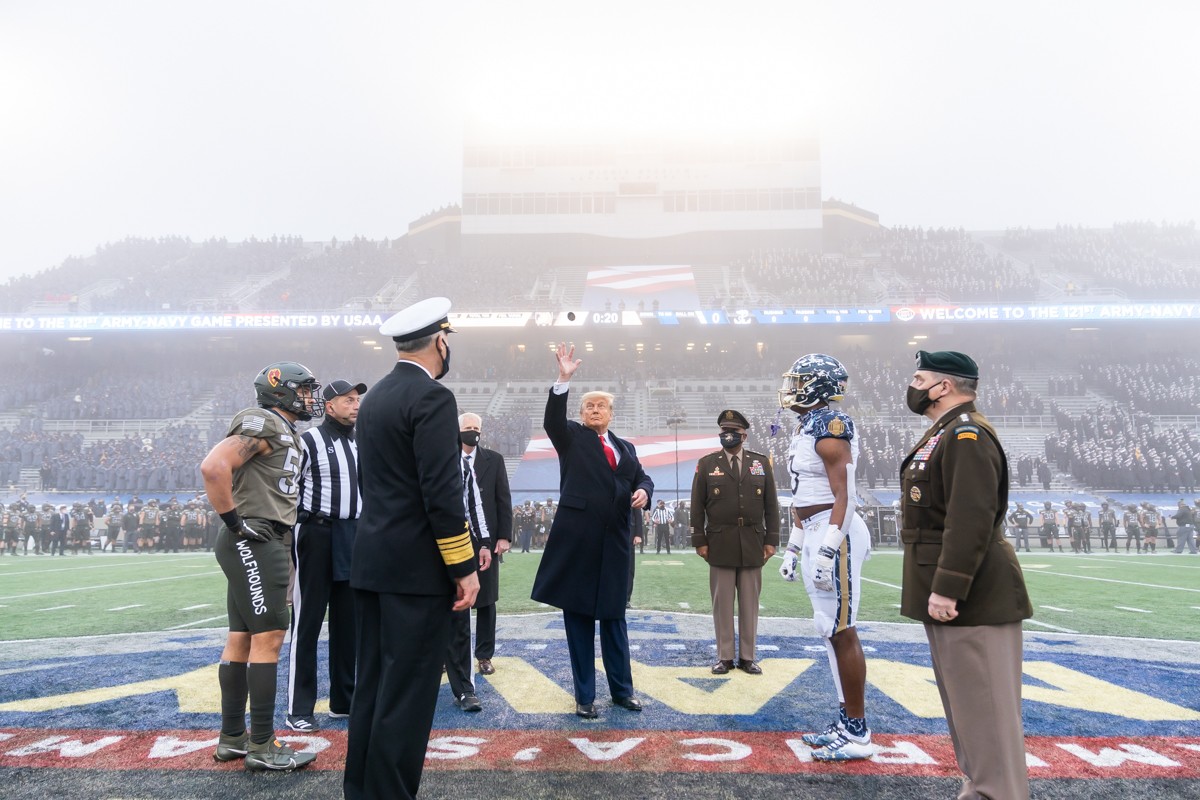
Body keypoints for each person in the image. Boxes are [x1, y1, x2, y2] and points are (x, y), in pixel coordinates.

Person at [345, 297, 479, 800]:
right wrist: (463, 566)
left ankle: (361, 791)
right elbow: (441, 495)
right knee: (408, 696)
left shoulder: (375, 396)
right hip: (416, 571)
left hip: (373, 562)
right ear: (440, 341)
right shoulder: (433, 398)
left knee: (374, 689)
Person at [900, 349, 1032, 800]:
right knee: (968, 711)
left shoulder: (965, 435)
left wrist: (948, 587)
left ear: (945, 386)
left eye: (920, 378)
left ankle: (999, 793)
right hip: (953, 594)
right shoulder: (945, 433)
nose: (913, 386)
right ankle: (979, 788)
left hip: (973, 597)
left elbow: (971, 517)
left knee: (988, 713)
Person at [201, 361, 322, 772]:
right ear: (279, 390)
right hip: (258, 538)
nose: (310, 398)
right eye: (304, 390)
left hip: (258, 538)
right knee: (269, 638)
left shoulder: (285, 430)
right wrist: (236, 524)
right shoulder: (263, 423)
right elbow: (214, 467)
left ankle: (233, 738)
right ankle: (262, 745)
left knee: (241, 637)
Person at [531, 342, 653, 719]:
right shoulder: (571, 436)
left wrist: (644, 491)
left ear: (611, 413)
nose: (595, 410)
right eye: (589, 406)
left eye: (601, 406)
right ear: (582, 413)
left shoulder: (625, 446)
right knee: (580, 622)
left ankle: (622, 691)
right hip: (579, 543)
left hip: (615, 544)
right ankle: (585, 697)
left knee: (615, 621)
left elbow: (642, 477)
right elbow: (553, 420)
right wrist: (563, 379)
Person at [775, 355, 873, 761]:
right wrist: (795, 547)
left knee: (842, 629)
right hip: (817, 529)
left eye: (799, 381)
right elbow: (805, 497)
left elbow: (843, 495)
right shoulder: (807, 426)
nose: (791, 388)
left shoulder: (831, 427)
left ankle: (858, 732)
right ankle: (846, 720)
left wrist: (830, 546)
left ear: (816, 385)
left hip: (838, 531)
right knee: (828, 629)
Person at [285, 379, 367, 733]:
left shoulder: (360, 443)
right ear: (329, 405)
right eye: (348, 400)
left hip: (353, 535)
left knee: (349, 624)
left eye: (358, 400)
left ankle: (343, 701)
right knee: (307, 622)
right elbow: (288, 490)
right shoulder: (308, 441)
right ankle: (298, 708)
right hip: (316, 533)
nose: (356, 405)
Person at [691, 409, 779, 676]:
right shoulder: (707, 464)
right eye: (723, 432)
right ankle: (725, 657)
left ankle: (748, 657)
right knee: (723, 603)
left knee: (750, 603)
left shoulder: (760, 463)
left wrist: (771, 539)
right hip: (719, 541)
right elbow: (697, 506)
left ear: (744, 435)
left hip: (753, 540)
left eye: (733, 432)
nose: (727, 436)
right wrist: (699, 539)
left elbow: (771, 505)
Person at [459, 412, 512, 677]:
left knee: (487, 599)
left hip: (485, 541)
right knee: (455, 598)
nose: (473, 432)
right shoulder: (446, 460)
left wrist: (503, 536)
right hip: (454, 541)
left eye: (476, 428)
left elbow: (503, 499)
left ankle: (484, 655)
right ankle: (452, 655)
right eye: (468, 427)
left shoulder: (495, 460)